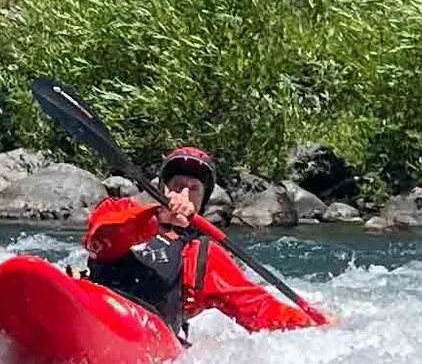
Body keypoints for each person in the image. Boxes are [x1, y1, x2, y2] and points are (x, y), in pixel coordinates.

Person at [81, 145, 324, 338]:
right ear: (163, 189)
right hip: (95, 311)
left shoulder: (204, 257)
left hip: (148, 338)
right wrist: (156, 218)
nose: (184, 195)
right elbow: (99, 238)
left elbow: (258, 309)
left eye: (194, 189)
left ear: (203, 201)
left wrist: (316, 326)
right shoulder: (124, 211)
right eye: (177, 186)